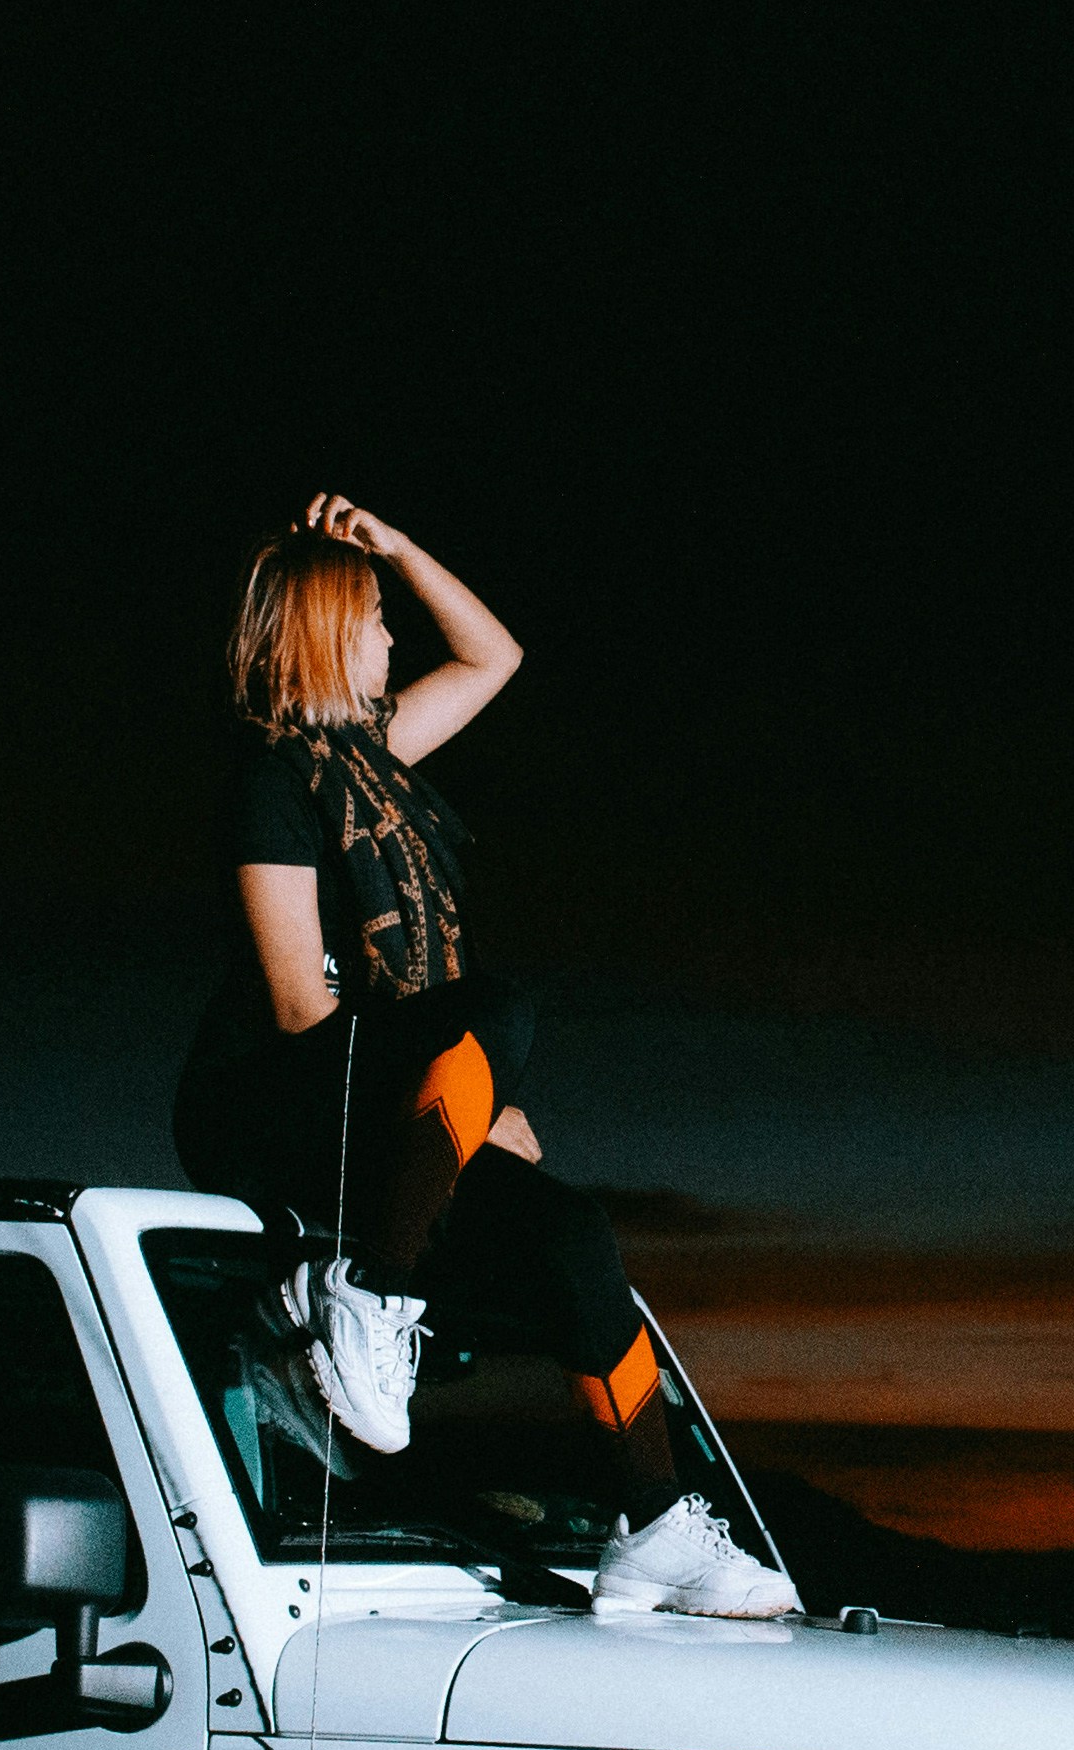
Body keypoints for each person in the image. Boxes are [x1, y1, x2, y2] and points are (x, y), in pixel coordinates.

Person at [169, 494, 793, 1618]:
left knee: (571, 1234)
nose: (393, 634)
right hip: (277, 1100)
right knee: (495, 1006)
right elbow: (298, 1012)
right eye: (373, 616)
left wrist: (396, 548)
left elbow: (493, 653)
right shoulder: (272, 781)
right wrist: (464, 1080)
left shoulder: (378, 756)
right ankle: (369, 1294)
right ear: (322, 632)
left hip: (397, 1106)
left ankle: (652, 1525)